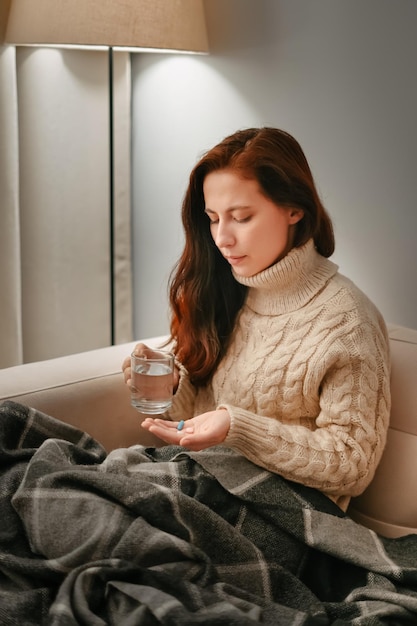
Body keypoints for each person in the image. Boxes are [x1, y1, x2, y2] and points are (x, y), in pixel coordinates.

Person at [122, 127, 390, 513]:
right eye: (213, 219)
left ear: (294, 209)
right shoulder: (225, 290)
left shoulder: (347, 322)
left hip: (281, 518)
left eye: (241, 217)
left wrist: (237, 429)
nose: (222, 238)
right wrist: (172, 387)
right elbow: (198, 418)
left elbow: (352, 465)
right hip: (202, 486)